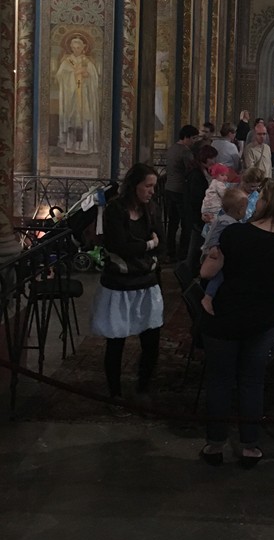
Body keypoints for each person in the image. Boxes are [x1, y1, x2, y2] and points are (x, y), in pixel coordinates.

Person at [198, 180, 274, 465]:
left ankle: (215, 444)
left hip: (225, 315)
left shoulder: (234, 233)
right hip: (261, 320)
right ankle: (250, 445)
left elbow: (209, 272)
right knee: (252, 381)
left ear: (264, 203)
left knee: (220, 381)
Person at [90, 163, 164, 404]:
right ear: (134, 186)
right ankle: (115, 393)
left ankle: (143, 387)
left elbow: (161, 241)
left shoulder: (151, 209)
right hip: (119, 285)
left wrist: (144, 247)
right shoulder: (115, 210)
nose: (152, 191)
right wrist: (148, 245)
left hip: (146, 283)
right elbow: (119, 246)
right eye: (148, 186)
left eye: (154, 186)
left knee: (151, 341)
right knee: (116, 341)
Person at [199, 188, 249, 313]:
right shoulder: (226, 222)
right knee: (219, 275)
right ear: (240, 210)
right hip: (212, 255)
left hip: (216, 253)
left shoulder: (225, 219)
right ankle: (208, 297)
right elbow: (215, 236)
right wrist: (213, 247)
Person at [55, 34, 100, 155]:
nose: (76, 50)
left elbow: (95, 79)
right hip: (71, 96)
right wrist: (72, 74)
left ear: (83, 47)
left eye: (78, 48)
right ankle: (70, 146)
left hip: (84, 96)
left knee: (84, 119)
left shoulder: (87, 62)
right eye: (74, 48)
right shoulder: (66, 61)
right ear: (70, 47)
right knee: (72, 119)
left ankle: (84, 146)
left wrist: (87, 75)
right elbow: (59, 77)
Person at [164, 124, 199, 260]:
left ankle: (170, 250)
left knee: (172, 223)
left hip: (169, 188)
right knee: (186, 222)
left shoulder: (172, 148)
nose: (194, 141)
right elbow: (191, 170)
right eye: (193, 138)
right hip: (180, 190)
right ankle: (183, 252)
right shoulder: (185, 152)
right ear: (186, 137)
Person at [184, 144, 218, 273]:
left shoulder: (203, 171)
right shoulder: (196, 174)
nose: (214, 161)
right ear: (204, 158)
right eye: (211, 158)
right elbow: (196, 197)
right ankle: (189, 271)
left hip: (200, 213)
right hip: (197, 214)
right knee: (195, 243)